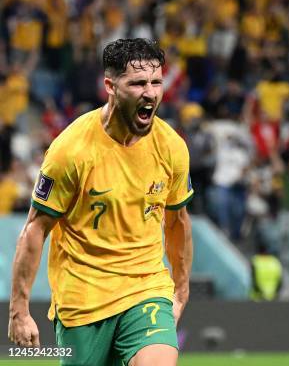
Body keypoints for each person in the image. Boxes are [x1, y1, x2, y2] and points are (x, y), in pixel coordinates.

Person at [8, 38, 194, 366]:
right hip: (84, 298)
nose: (150, 93)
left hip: (146, 287)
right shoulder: (71, 151)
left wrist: (180, 289)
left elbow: (177, 220)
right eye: (137, 83)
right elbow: (35, 229)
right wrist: (19, 311)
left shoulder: (172, 147)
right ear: (110, 85)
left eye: (155, 82)